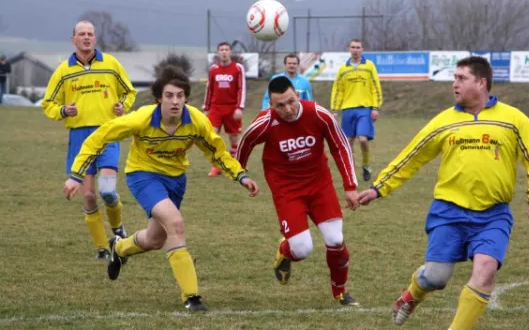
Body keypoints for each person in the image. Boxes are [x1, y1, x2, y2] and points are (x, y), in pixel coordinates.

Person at [357, 56, 529, 329]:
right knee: (435, 278)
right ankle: (411, 295)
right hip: (449, 211)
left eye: (461, 78)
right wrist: (379, 188)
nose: (454, 84)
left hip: (493, 215)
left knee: (485, 273)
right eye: (454, 78)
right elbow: (411, 157)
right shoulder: (444, 121)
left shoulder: (513, 120)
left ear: (481, 83)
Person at [63, 65, 259, 311]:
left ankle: (120, 247)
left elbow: (217, 153)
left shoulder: (196, 121)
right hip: (143, 176)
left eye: (180, 96)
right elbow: (99, 137)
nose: (175, 102)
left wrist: (240, 176)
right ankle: (192, 297)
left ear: (186, 97)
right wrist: (76, 175)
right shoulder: (142, 118)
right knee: (175, 223)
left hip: (176, 180)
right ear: (159, 98)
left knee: (156, 239)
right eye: (169, 96)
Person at [236, 75, 361, 307]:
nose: (288, 109)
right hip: (286, 189)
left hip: (319, 184)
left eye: (291, 101)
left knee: (335, 239)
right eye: (280, 105)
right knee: (302, 249)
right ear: (271, 105)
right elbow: (245, 142)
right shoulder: (265, 122)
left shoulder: (318, 114)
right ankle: (285, 250)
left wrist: (350, 186)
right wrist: (240, 172)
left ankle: (340, 292)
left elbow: (340, 146)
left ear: (298, 96)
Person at [42, 20, 137, 260]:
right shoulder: (64, 70)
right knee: (89, 196)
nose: (86, 38)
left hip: (107, 133)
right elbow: (48, 104)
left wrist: (121, 106)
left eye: (90, 34)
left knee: (107, 191)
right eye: (81, 34)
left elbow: (129, 92)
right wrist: (64, 111)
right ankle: (102, 249)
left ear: (95, 39)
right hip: (80, 138)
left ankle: (118, 230)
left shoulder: (111, 64)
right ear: (73, 39)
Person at [330, 38, 382, 182]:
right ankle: (351, 173)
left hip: (365, 109)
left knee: (363, 139)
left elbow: (376, 87)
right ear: (349, 49)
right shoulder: (343, 69)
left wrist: (376, 107)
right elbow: (338, 91)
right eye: (353, 47)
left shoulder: (369, 66)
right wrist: (335, 110)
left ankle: (366, 165)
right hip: (347, 110)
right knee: (348, 142)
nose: (355, 49)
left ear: (362, 50)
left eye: (358, 47)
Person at [203, 41, 247, 177]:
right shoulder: (213, 69)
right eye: (221, 49)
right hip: (216, 108)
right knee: (213, 137)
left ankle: (235, 163)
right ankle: (217, 166)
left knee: (234, 138)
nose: (224, 52)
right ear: (218, 52)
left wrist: (240, 107)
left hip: (232, 108)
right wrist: (206, 107)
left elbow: (241, 88)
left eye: (226, 49)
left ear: (230, 52)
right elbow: (209, 89)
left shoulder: (238, 68)